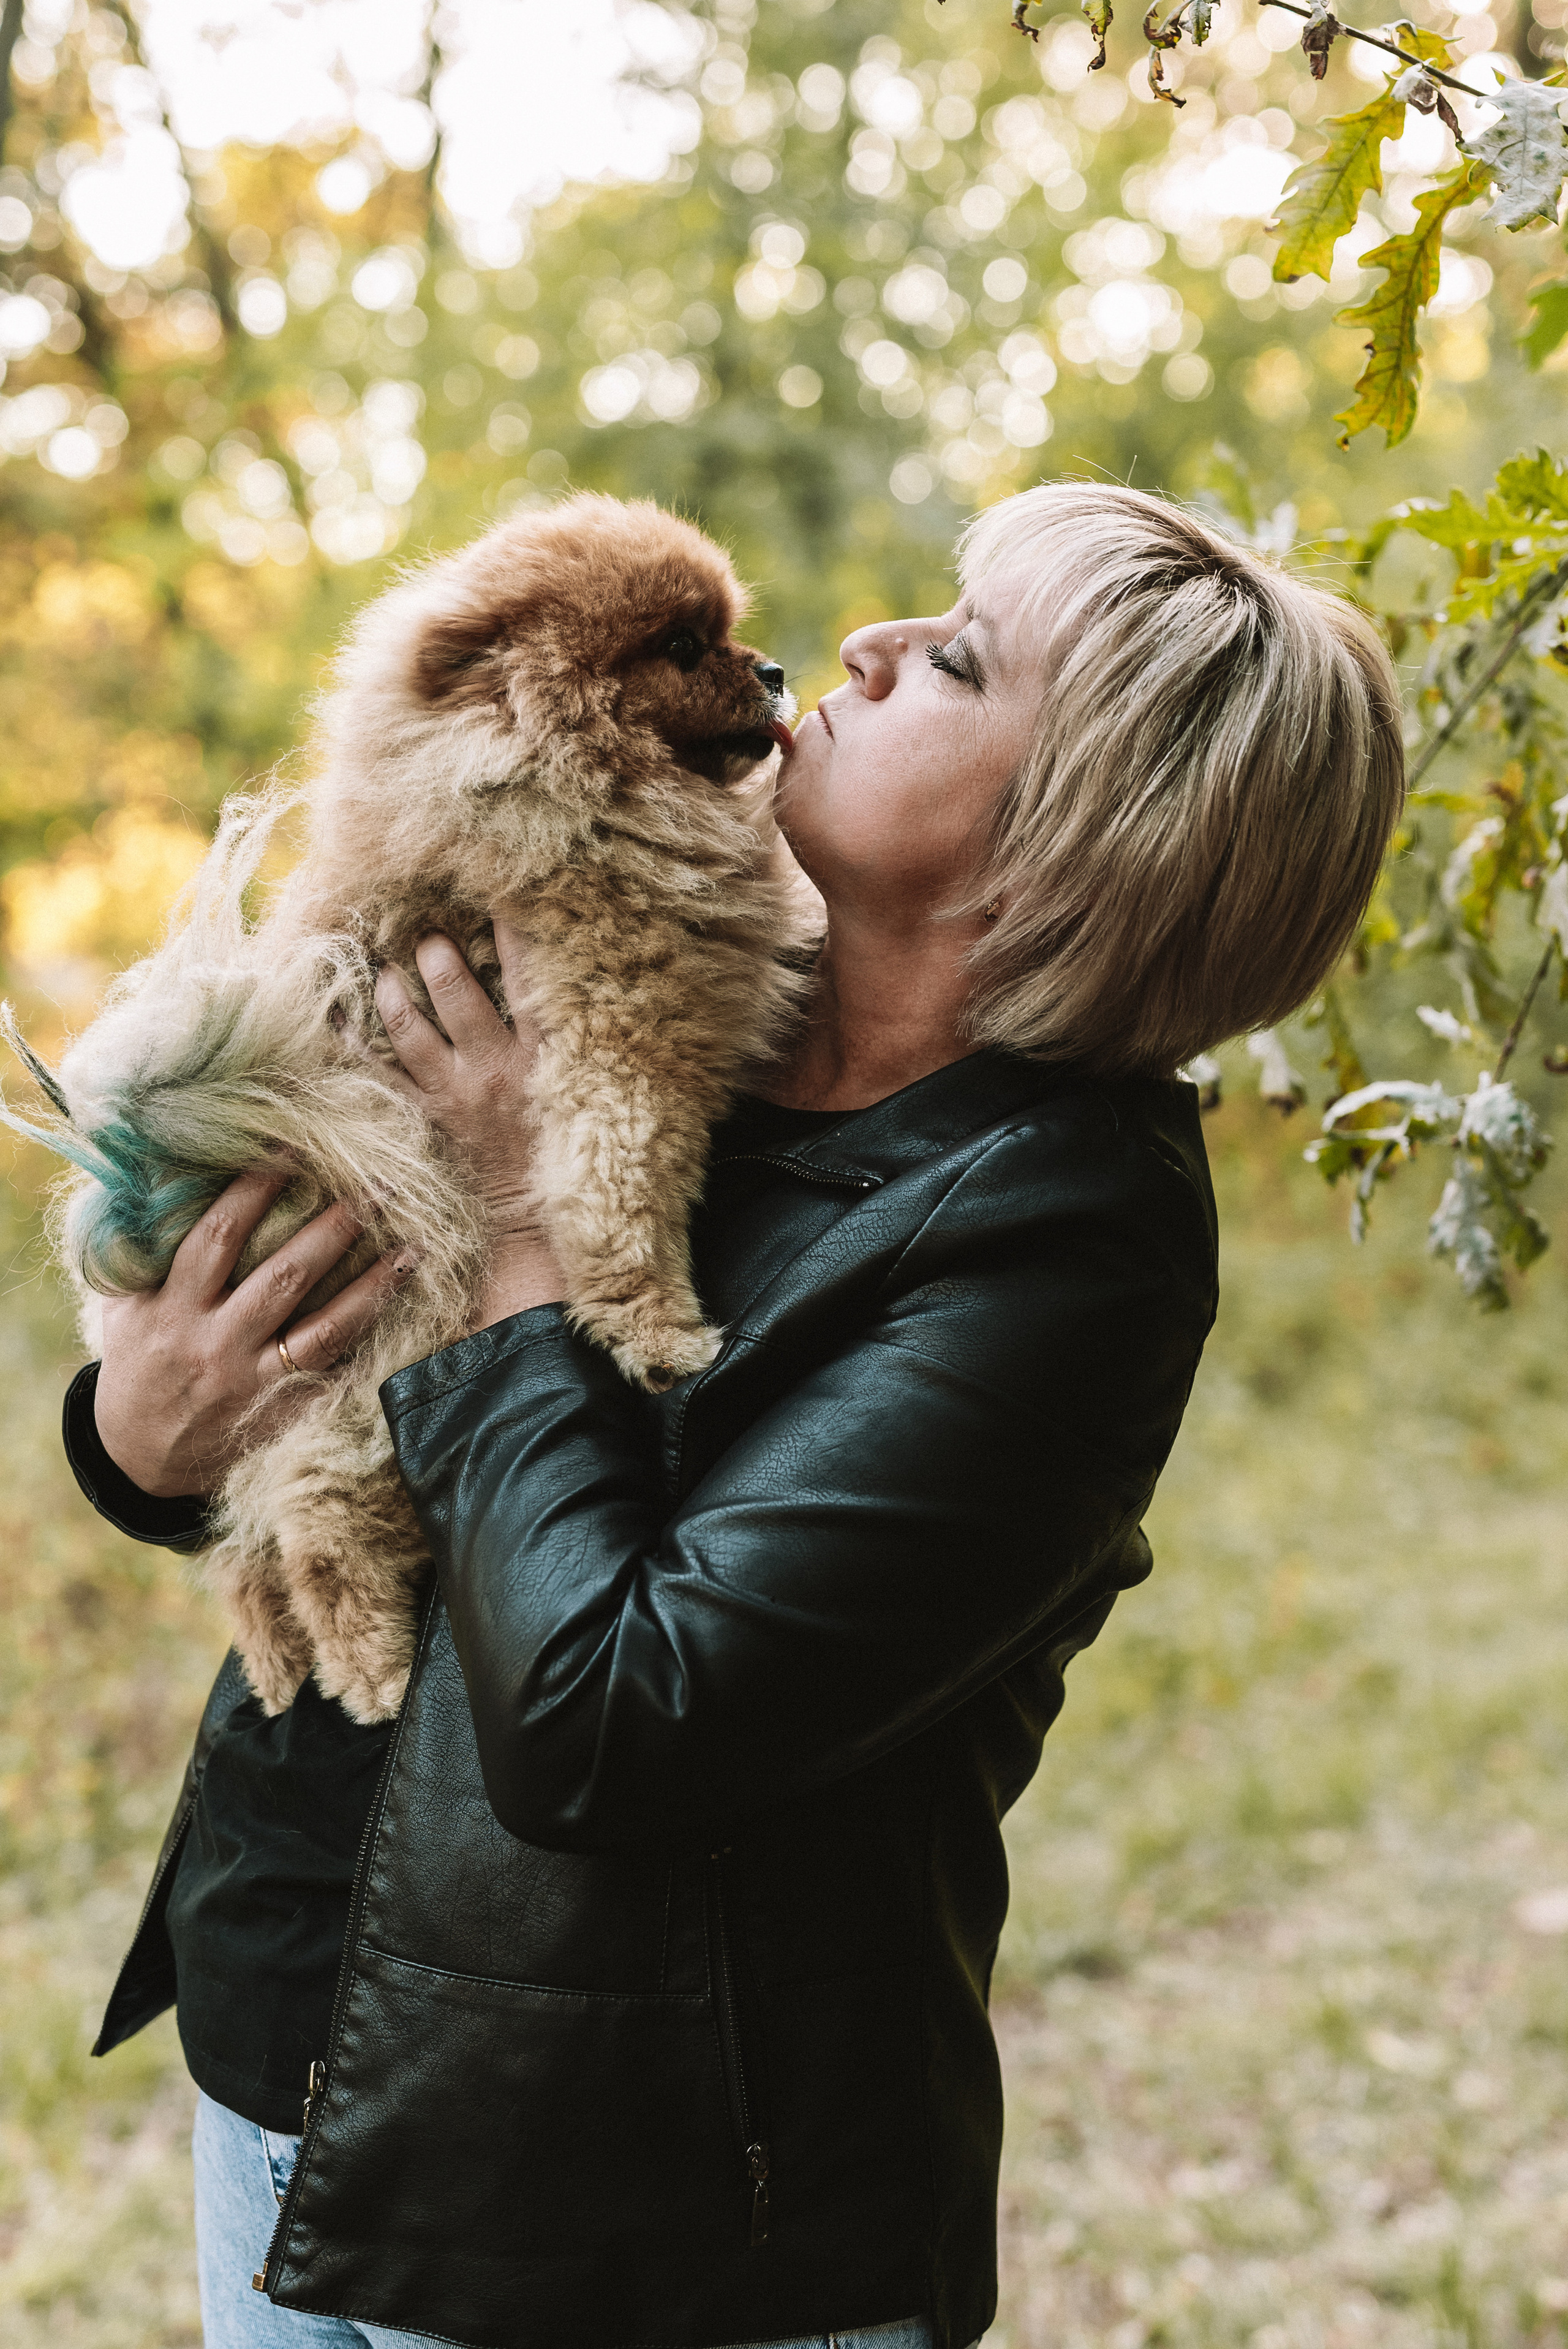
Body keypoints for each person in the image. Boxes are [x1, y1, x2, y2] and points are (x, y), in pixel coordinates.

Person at [65, 483, 1404, 2349]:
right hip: (289, 2034)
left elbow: (620, 1720)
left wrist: (534, 1219)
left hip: (642, 2221)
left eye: (954, 660)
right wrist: (138, 1426)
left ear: (1071, 844)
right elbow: (312, 1382)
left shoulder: (1059, 1241)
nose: (859, 647)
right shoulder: (651, 944)